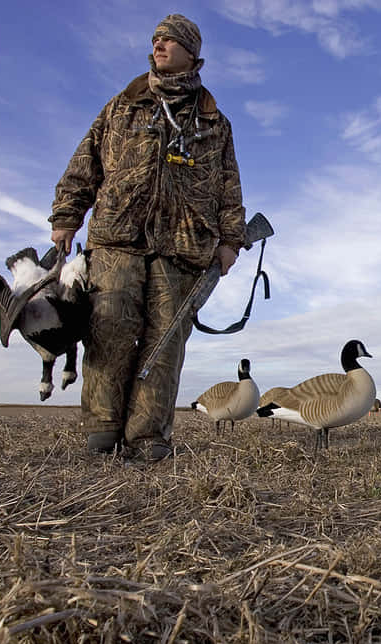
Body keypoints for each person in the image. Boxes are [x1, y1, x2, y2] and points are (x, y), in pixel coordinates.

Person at [49, 14, 246, 460]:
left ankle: (148, 436)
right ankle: (101, 428)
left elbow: (229, 186)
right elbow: (86, 162)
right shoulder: (123, 105)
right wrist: (67, 215)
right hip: (117, 237)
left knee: (166, 340)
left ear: (194, 54)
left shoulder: (214, 122)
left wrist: (230, 239)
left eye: (171, 39)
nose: (160, 44)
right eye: (157, 38)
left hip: (183, 246)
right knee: (109, 324)